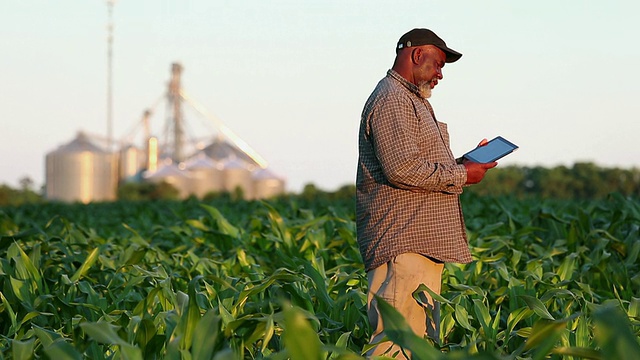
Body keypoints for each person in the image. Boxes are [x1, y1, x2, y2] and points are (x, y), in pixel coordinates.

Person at [356, 28, 497, 358]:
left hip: (419, 243)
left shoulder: (409, 100)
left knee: (416, 346)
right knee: (393, 346)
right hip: (403, 243)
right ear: (417, 56)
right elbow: (402, 169)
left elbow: (415, 164)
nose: (440, 74)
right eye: (438, 64)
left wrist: (462, 163)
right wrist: (462, 174)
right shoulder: (393, 99)